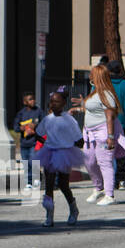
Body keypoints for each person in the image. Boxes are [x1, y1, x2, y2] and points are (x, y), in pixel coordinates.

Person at [82, 63, 125, 205]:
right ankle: (98, 188)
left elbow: (110, 117)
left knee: (105, 163)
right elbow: (92, 109)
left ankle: (109, 195)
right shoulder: (94, 91)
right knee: (89, 161)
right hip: (90, 133)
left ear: (98, 76)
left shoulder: (107, 94)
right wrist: (80, 106)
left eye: (92, 73)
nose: (89, 75)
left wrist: (110, 137)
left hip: (103, 132)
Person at [34, 91, 84, 227]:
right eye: (51, 101)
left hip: (64, 153)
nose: (53, 104)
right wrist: (47, 143)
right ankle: (49, 215)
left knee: (63, 184)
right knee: (49, 185)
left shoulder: (69, 120)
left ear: (63, 103)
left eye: (56, 101)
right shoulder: (48, 119)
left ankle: (73, 208)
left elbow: (80, 141)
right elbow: (38, 133)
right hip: (50, 152)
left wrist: (68, 144)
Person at [107, 60, 125, 191]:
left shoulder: (103, 84)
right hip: (121, 122)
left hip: (104, 123)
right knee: (121, 152)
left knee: (107, 153)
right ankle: (122, 180)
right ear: (120, 70)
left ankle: (109, 180)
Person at [12, 92, 42, 190]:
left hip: (35, 142)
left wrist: (35, 127)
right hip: (24, 143)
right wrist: (23, 128)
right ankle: (28, 182)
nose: (32, 101)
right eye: (30, 99)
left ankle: (37, 179)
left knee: (33, 161)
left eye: (33, 99)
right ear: (25, 102)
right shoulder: (21, 113)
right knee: (26, 163)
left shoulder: (39, 112)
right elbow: (15, 127)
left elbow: (44, 124)